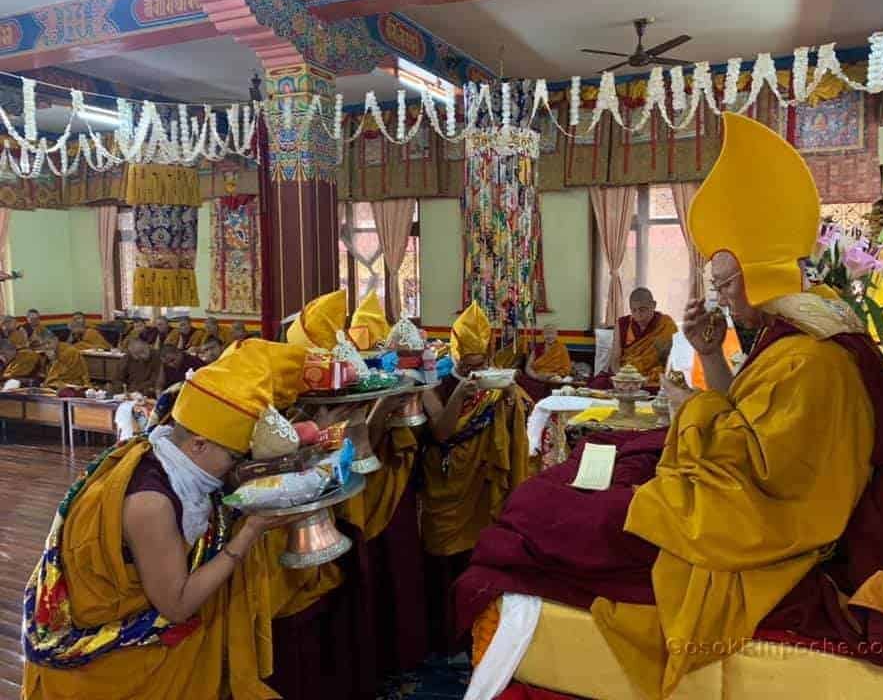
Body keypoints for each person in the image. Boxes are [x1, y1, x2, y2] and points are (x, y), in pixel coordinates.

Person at [457, 113, 883, 700]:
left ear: (761, 275)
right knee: (573, 481)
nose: (719, 297)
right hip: (727, 492)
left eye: (724, 283)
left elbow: (771, 474)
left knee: (545, 508)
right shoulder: (790, 338)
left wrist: (688, 407)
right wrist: (712, 358)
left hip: (750, 525)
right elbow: (746, 419)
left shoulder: (817, 361)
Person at [21, 339, 341, 699]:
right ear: (199, 444)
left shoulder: (167, 454)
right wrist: (250, 531)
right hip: (115, 664)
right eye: (234, 456)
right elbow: (177, 606)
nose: (235, 468)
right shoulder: (150, 503)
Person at [274, 288, 429, 700]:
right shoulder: (283, 407)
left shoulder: (363, 380)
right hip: (310, 521)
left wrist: (368, 417)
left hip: (363, 497)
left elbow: (367, 450)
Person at [419, 302, 531, 654]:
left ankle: (475, 627)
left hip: (480, 484)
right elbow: (440, 433)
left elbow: (517, 417)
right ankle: (443, 635)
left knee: (475, 556)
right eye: (468, 362)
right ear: (455, 352)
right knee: (443, 561)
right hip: (445, 483)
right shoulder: (433, 383)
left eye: (480, 361)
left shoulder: (494, 382)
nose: (475, 368)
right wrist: (458, 395)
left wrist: (511, 399)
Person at [592, 287, 676, 388]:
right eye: (634, 310)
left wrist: (647, 379)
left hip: (651, 379)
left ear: (653, 305)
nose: (638, 315)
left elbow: (672, 362)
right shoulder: (623, 323)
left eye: (642, 310)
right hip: (625, 376)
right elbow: (615, 360)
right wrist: (622, 378)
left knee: (664, 389)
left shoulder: (665, 324)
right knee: (598, 384)